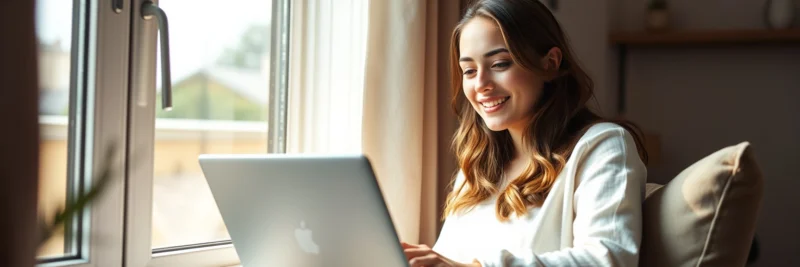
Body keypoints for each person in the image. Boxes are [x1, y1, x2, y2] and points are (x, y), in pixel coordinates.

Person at [402, 0, 649, 266]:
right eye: (470, 71)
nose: (481, 84)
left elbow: (609, 259)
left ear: (550, 63)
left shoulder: (603, 146)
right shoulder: (478, 167)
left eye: (499, 64)